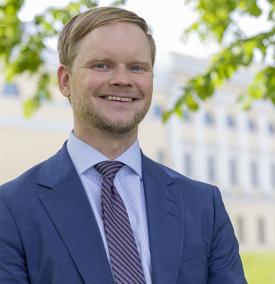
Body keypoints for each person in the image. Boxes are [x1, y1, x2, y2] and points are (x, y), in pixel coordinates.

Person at [0, 7, 247, 284]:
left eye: (137, 67)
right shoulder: (10, 209)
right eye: (102, 65)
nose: (122, 79)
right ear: (65, 80)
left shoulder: (203, 206)